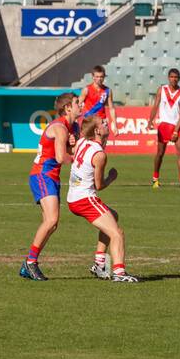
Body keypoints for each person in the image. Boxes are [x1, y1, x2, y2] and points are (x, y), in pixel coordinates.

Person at [67, 119, 139, 283]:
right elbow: (99, 185)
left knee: (113, 216)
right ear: (97, 131)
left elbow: (73, 148)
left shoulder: (83, 142)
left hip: (74, 196)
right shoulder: (99, 155)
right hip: (84, 198)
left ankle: (100, 264)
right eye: (103, 123)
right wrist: (111, 178)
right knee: (117, 233)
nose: (107, 123)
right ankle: (119, 273)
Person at [21, 93, 77, 281]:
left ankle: (29, 263)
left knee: (52, 225)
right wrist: (78, 156)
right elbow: (61, 157)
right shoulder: (60, 127)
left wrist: (73, 146)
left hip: (51, 177)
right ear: (68, 108)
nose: (81, 105)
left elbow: (66, 151)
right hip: (42, 175)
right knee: (52, 220)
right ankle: (30, 263)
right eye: (78, 103)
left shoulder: (72, 126)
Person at [148, 68, 180, 188]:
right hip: (164, 125)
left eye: (176, 77)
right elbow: (155, 106)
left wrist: (176, 130)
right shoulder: (162, 89)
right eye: (171, 77)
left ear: (178, 78)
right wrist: (150, 121)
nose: (174, 79)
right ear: (168, 77)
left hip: (177, 126)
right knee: (160, 153)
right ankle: (155, 178)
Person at [77, 65, 115, 135]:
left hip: (102, 120)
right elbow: (77, 105)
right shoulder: (86, 89)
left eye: (101, 77)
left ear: (104, 77)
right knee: (88, 141)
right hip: (89, 120)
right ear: (93, 77)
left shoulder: (108, 91)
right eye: (97, 76)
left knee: (102, 142)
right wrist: (75, 120)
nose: (99, 79)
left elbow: (111, 108)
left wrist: (114, 123)